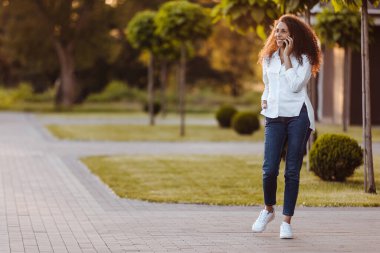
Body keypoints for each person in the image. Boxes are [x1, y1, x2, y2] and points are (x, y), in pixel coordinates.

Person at [251, 14, 321, 239]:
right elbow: (268, 85)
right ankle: (268, 209)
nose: (278, 34)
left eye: (283, 30)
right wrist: (264, 97)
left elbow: (294, 86)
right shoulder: (269, 58)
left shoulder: (305, 58)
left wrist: (288, 57)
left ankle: (286, 221)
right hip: (273, 116)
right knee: (269, 168)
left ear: (293, 34)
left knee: (292, 171)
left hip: (298, 116)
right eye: (276, 30)